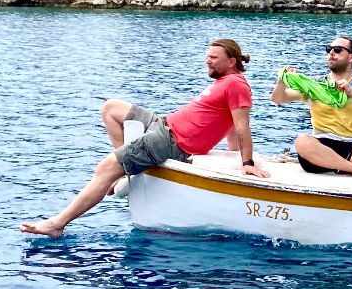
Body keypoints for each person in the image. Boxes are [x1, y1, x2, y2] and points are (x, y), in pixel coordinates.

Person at [21, 38, 270, 237]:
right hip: (163, 124)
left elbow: (240, 126)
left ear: (231, 61)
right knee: (110, 108)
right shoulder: (225, 82)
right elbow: (225, 125)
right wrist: (233, 153)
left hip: (172, 141)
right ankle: (129, 167)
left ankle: (57, 223)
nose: (207, 61)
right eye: (207, 57)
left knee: (105, 168)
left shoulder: (237, 85)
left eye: (213, 58)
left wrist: (246, 164)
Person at [272, 33, 352, 205]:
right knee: (302, 141)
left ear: (351, 56)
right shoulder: (316, 85)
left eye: (337, 50)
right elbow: (278, 98)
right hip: (321, 145)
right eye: (329, 50)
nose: (331, 54)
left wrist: (351, 93)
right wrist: (282, 81)